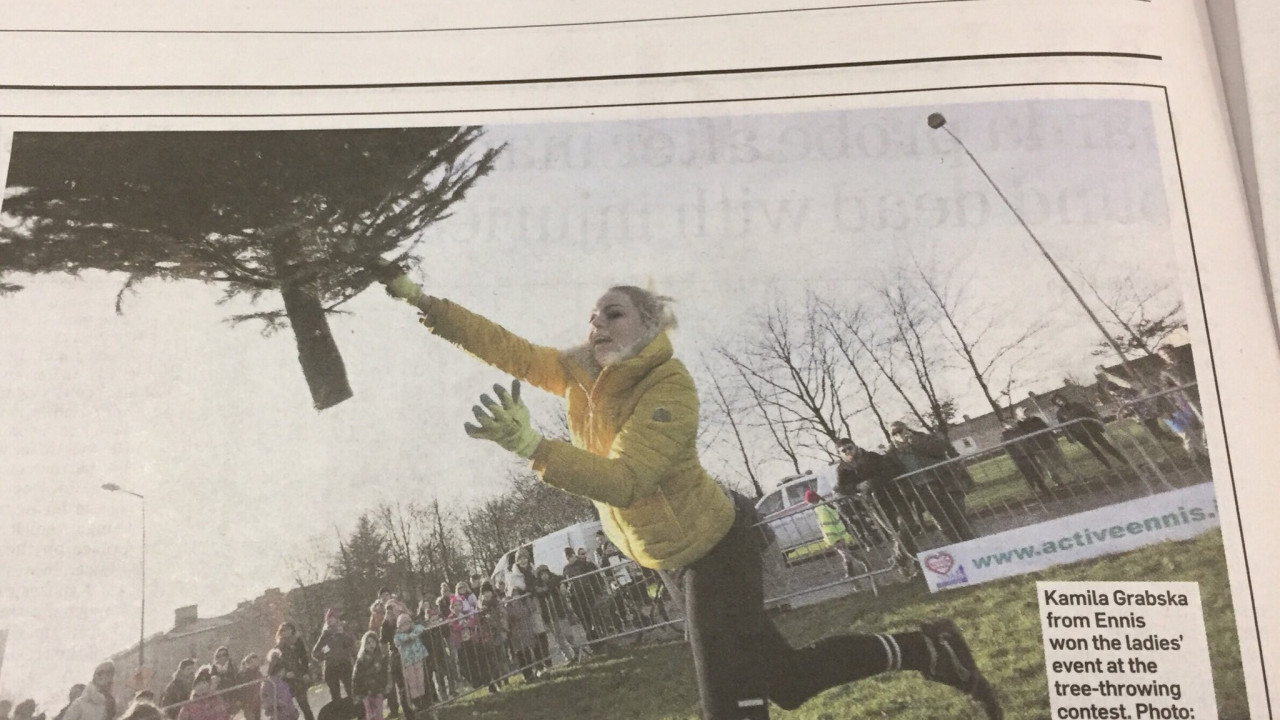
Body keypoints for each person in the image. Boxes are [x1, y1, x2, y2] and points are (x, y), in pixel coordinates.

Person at [379, 276, 1002, 719]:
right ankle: (927, 647)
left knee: (728, 706)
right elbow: (506, 347)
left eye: (614, 312)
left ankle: (928, 648)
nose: (597, 322)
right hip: (670, 558)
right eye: (593, 314)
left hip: (716, 549)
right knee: (782, 681)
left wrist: (536, 449)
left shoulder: (668, 384)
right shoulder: (577, 370)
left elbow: (626, 480)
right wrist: (425, 302)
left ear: (650, 326)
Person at [832, 438, 917, 571]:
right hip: (874, 504)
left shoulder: (872, 457)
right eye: (844, 450)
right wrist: (857, 486)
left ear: (855, 446)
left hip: (893, 497)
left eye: (850, 448)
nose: (848, 452)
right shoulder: (842, 470)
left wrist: (873, 482)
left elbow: (892, 470)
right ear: (839, 454)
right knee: (894, 534)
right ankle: (913, 566)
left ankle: (899, 559)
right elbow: (840, 488)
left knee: (908, 526)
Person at [889, 421, 977, 544]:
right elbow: (891, 471)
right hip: (922, 490)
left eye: (900, 430)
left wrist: (914, 441)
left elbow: (939, 450)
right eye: (894, 433)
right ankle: (957, 549)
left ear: (907, 429)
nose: (899, 435)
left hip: (942, 483)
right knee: (943, 523)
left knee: (959, 518)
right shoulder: (892, 452)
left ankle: (974, 546)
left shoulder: (922, 438)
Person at [1050, 393, 1128, 470]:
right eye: (1058, 401)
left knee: (1106, 445)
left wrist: (1098, 425)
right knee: (1094, 450)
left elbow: (1090, 414)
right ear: (1056, 403)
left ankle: (1123, 460)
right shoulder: (1060, 414)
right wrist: (1070, 437)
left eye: (1061, 399)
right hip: (1080, 434)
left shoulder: (1076, 405)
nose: (1061, 402)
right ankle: (1107, 465)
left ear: (1064, 398)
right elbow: (1064, 427)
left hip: (1091, 429)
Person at [802, 488, 863, 579]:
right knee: (846, 553)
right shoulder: (824, 505)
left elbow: (827, 525)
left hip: (835, 536)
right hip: (838, 534)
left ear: (812, 500)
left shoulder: (820, 509)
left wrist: (832, 538)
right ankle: (860, 566)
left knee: (845, 554)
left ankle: (852, 573)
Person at [312, 610, 356, 703]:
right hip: (331, 667)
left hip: (345, 664)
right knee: (335, 694)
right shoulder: (325, 634)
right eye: (328, 618)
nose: (330, 620)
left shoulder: (344, 629)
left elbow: (352, 643)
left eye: (332, 618)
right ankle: (340, 714)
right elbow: (315, 653)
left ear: (336, 619)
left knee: (351, 690)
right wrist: (325, 654)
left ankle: (358, 712)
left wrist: (343, 634)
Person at [392, 613, 434, 710]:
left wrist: (413, 632)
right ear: (399, 626)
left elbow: (421, 628)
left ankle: (422, 697)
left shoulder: (416, 629)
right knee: (412, 680)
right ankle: (415, 700)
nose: (406, 626)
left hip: (418, 658)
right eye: (403, 625)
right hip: (408, 662)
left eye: (407, 623)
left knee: (420, 677)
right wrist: (409, 636)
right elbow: (398, 641)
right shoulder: (398, 636)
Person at [275, 623, 315, 720]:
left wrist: (305, 672)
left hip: (298, 677)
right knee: (288, 708)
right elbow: (275, 666)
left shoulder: (298, 642)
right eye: (283, 630)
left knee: (304, 705)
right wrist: (285, 673)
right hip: (286, 681)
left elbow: (304, 658)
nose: (286, 632)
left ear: (292, 630)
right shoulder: (278, 647)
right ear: (280, 633)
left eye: (288, 629)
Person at [351, 631, 387, 720]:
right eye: (368, 643)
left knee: (379, 712)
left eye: (373, 642)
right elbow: (356, 677)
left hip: (378, 689)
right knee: (370, 714)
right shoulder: (361, 660)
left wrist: (384, 685)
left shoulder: (380, 658)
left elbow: (385, 673)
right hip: (365, 692)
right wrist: (356, 692)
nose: (371, 645)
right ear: (364, 645)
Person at [260, 650, 299, 720]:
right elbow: (266, 698)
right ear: (280, 671)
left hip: (284, 713)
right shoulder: (273, 683)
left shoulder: (279, 682)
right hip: (281, 714)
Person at [238, 654, 264, 720]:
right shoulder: (243, 673)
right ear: (249, 662)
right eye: (253, 661)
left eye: (256, 660)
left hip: (257, 701)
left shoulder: (258, 673)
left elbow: (261, 683)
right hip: (248, 702)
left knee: (257, 718)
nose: (256, 663)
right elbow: (241, 687)